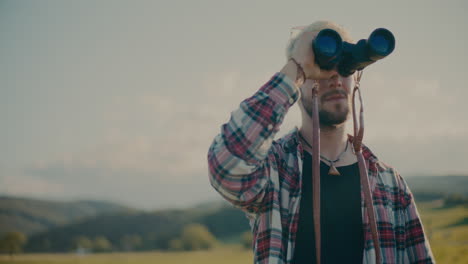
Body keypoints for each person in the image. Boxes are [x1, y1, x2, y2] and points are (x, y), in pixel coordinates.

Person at [207, 21, 434, 264]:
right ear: (298, 80)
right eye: (322, 66)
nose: (335, 77)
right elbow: (227, 165)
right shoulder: (275, 170)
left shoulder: (390, 183)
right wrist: (296, 67)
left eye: (345, 67)